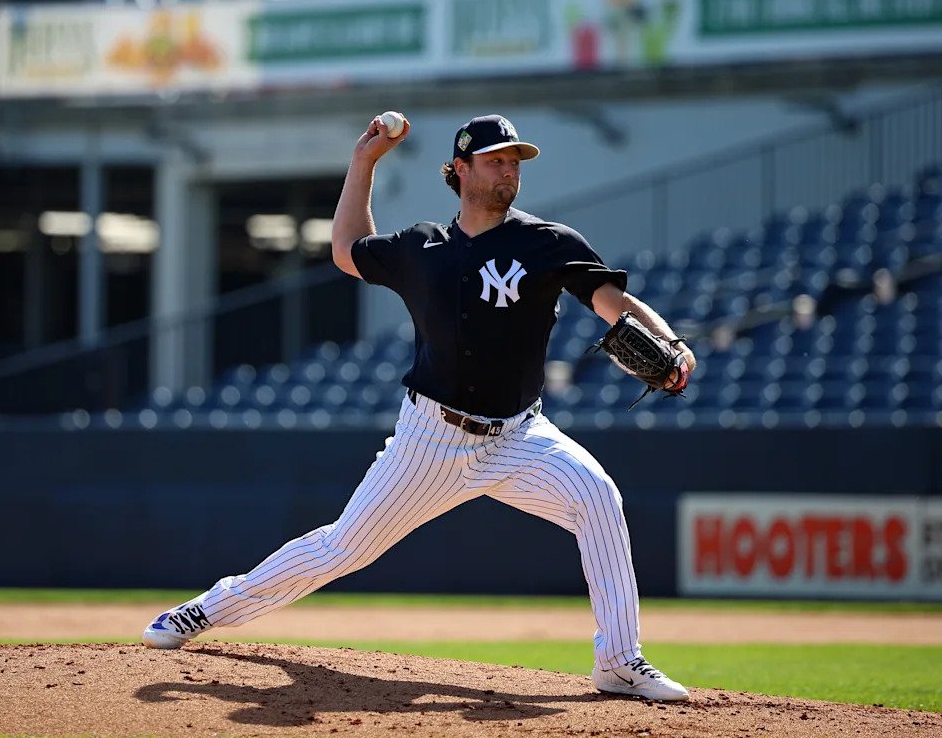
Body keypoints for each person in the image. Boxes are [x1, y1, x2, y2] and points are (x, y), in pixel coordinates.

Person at [142, 113, 697, 702]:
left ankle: (618, 661)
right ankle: (206, 610)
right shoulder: (421, 247)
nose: (509, 169)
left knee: (598, 499)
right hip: (430, 439)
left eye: (514, 161)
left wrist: (673, 343)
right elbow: (347, 251)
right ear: (460, 170)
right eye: (495, 160)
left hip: (519, 436)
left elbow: (615, 303)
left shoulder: (548, 243)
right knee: (343, 549)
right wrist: (365, 163)